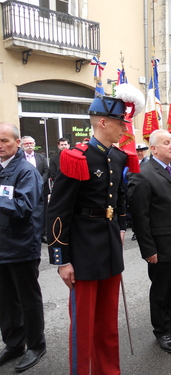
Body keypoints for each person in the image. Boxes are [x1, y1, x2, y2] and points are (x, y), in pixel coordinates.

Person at [47, 87, 142, 374]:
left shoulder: (117, 157)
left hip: (109, 246)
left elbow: (118, 198)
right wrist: (61, 259)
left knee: (107, 323)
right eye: (120, 124)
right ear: (103, 122)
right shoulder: (76, 157)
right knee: (84, 326)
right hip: (84, 249)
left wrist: (122, 226)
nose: (124, 129)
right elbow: (58, 212)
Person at [128, 130, 171, 354]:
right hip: (162, 245)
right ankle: (162, 331)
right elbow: (141, 216)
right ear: (154, 148)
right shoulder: (143, 173)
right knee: (161, 291)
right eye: (166, 143)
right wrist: (148, 248)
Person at [0, 122, 46, 372]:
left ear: (18, 143)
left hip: (21, 246)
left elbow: (23, 208)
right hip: (1, 247)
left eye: (5, 140)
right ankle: (14, 343)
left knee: (28, 300)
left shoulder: (26, 172)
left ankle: (36, 345)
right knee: (6, 301)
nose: (0, 146)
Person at [21, 136, 49, 243]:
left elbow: (46, 170)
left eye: (31, 143)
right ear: (22, 145)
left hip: (42, 189)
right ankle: (30, 233)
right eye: (26, 143)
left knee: (43, 211)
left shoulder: (41, 157)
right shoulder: (20, 158)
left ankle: (43, 233)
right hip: (26, 189)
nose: (29, 145)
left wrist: (40, 181)